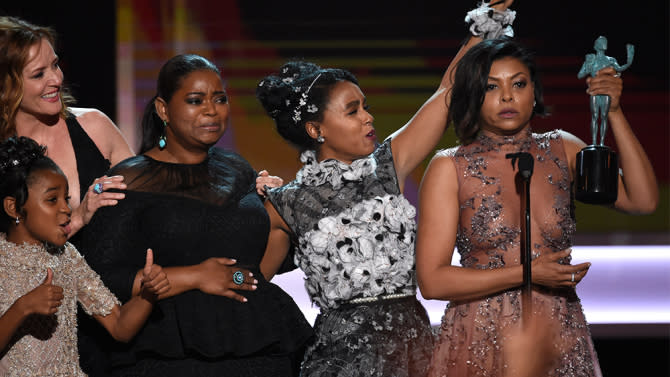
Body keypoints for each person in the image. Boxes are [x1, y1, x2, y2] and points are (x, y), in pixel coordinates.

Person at [255, 2, 516, 375]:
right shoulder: (287, 204)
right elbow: (249, 285)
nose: (368, 117)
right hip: (339, 360)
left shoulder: (386, 165)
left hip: (414, 351)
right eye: (353, 110)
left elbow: (448, 91)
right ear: (316, 130)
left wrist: (482, 27)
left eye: (365, 106)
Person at [416, 37, 658, 377]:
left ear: (534, 91)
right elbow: (432, 281)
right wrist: (529, 274)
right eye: (490, 87)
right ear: (473, 95)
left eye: (518, 83)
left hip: (556, 332)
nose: (507, 97)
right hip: (480, 337)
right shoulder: (449, 167)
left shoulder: (564, 149)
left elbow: (642, 200)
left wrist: (613, 112)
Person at [77, 54, 313, 377]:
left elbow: (249, 270)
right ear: (163, 109)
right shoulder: (126, 182)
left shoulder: (238, 170)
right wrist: (195, 276)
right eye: (195, 100)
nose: (211, 110)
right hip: (170, 357)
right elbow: (98, 281)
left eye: (220, 99)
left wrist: (276, 208)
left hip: (257, 350)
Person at [0, 136, 170, 376]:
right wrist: (23, 307)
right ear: (14, 207)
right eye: (52, 199)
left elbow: (120, 326)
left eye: (66, 199)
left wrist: (148, 295)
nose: (66, 209)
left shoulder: (68, 257)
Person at [0, 16, 134, 240]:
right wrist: (79, 216)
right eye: (38, 74)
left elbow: (143, 205)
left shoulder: (95, 126)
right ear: (6, 86)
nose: (56, 79)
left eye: (55, 65)